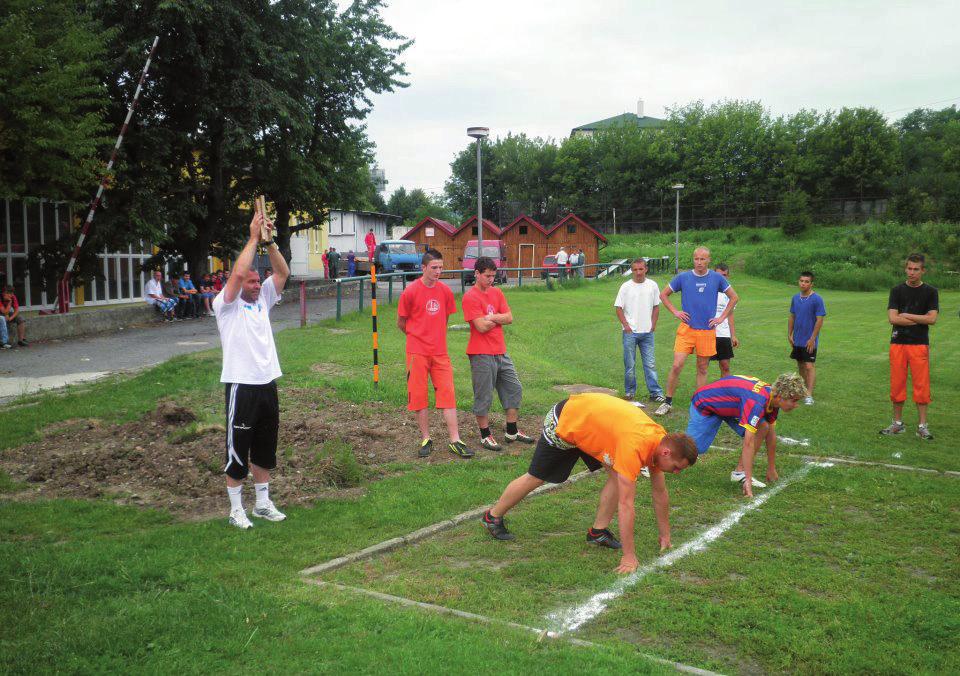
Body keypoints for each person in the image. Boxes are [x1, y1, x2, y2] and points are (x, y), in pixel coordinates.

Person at [481, 393, 698, 574]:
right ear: (667, 452)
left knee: (616, 476)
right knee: (537, 477)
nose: (676, 473)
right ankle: (492, 517)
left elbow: (659, 492)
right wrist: (629, 557)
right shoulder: (635, 447)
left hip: (593, 425)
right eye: (677, 467)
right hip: (566, 420)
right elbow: (626, 505)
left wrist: (666, 534)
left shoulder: (659, 440)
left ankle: (597, 532)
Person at [214, 209, 290, 529]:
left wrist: (269, 242)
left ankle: (261, 504)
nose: (258, 284)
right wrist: (252, 238)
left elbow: (282, 273)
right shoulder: (226, 304)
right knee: (238, 453)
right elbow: (235, 276)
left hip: (266, 382)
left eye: (259, 280)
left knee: (263, 449)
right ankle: (235, 510)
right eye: (252, 280)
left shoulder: (263, 299)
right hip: (241, 385)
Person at [397, 248, 472, 459]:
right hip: (417, 353)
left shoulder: (445, 292)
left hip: (440, 353)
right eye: (434, 267)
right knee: (419, 396)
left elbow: (444, 320)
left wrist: (435, 337)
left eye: (441, 267)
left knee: (448, 393)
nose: (438, 271)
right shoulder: (410, 292)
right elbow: (401, 323)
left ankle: (455, 440)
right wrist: (417, 337)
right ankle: (426, 439)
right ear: (423, 268)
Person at [686, 373, 807, 498]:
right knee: (693, 449)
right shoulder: (757, 402)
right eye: (794, 400)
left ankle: (739, 472)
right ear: (782, 396)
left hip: (731, 406)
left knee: (763, 427)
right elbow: (748, 442)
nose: (796, 405)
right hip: (706, 404)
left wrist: (771, 468)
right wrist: (748, 480)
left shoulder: (773, 399)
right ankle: (665, 442)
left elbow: (771, 435)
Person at [462, 256, 536, 451]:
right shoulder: (470, 297)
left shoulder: (497, 292)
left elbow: (509, 317)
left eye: (493, 276)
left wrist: (492, 317)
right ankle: (485, 435)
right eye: (487, 276)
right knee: (484, 395)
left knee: (514, 389)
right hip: (480, 354)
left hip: (501, 351)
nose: (491, 280)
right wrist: (497, 319)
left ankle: (512, 431)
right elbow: (481, 326)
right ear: (476, 274)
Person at [655, 247, 739, 416]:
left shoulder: (716, 278)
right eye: (696, 259)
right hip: (686, 329)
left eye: (703, 259)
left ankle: (699, 404)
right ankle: (667, 401)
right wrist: (676, 312)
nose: (699, 262)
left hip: (707, 331)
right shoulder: (683, 277)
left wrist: (721, 318)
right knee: (677, 365)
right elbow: (663, 295)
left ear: (709, 260)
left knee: (702, 368)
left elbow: (734, 297)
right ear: (693, 259)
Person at [880, 254, 939, 440]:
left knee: (921, 385)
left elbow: (932, 319)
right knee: (897, 384)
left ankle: (922, 426)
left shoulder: (930, 292)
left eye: (916, 269)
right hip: (898, 343)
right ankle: (897, 424)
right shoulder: (897, 291)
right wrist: (920, 319)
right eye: (909, 268)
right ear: (905, 269)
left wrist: (907, 315)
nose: (912, 272)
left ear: (923, 271)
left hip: (919, 344)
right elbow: (892, 318)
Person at [615, 258, 665, 404]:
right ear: (632, 270)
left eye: (641, 269)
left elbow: (656, 306)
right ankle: (630, 392)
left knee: (650, 364)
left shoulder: (652, 285)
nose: (638, 272)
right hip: (630, 332)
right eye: (635, 269)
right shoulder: (626, 287)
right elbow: (618, 308)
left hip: (647, 332)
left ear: (646, 269)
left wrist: (653, 324)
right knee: (630, 364)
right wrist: (626, 325)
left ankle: (655, 393)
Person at [788, 271, 826, 405]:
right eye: (801, 281)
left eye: (806, 281)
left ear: (811, 283)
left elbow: (819, 320)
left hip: (809, 340)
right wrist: (790, 333)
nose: (803, 284)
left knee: (809, 366)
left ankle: (809, 395)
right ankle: (801, 390)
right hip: (797, 339)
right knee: (800, 365)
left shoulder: (817, 299)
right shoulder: (795, 298)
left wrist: (812, 338)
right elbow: (792, 316)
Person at [709, 263, 738, 378]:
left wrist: (733, 335)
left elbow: (730, 315)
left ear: (728, 276)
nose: (721, 278)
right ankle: (701, 393)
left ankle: (725, 392)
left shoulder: (730, 294)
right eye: (718, 275)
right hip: (708, 332)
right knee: (703, 365)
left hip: (723, 334)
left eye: (724, 275)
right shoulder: (707, 290)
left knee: (725, 366)